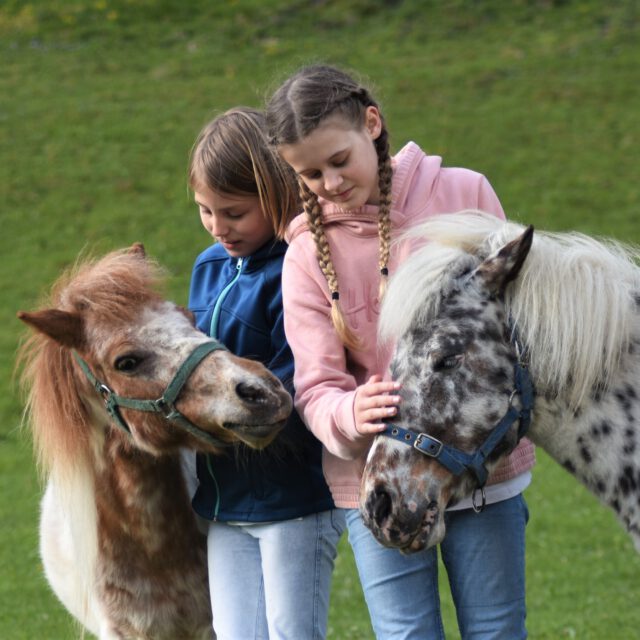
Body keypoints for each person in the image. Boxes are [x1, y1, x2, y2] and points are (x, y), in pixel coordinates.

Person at [266, 64, 536, 640]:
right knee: (406, 634)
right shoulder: (305, 256)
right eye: (310, 173)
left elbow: (510, 324)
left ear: (372, 123)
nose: (329, 182)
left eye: (339, 160)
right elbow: (315, 387)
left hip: (480, 471)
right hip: (376, 478)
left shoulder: (464, 192)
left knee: (496, 629)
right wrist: (349, 414)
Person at [187, 106, 344, 640]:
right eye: (205, 211)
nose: (218, 227)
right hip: (223, 501)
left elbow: (296, 382)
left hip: (294, 502)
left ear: (275, 193)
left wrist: (218, 410)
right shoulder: (208, 267)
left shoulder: (298, 266)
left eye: (234, 212)